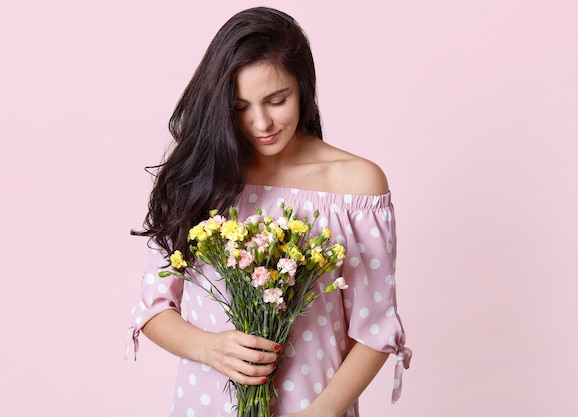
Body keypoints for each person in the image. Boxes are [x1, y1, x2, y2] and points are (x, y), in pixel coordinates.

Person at [126, 7, 411, 417]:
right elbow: (153, 308)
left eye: (277, 100)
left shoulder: (357, 187)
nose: (261, 123)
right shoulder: (200, 177)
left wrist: (321, 412)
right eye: (240, 107)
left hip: (313, 407)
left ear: (304, 89)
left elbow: (376, 328)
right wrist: (210, 348)